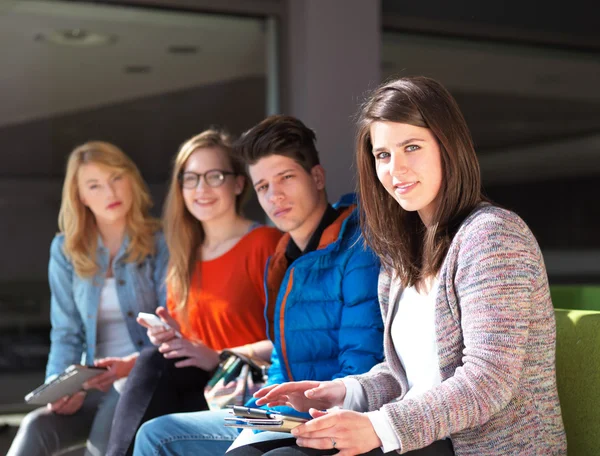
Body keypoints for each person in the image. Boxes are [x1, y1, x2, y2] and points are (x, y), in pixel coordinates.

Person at [232, 77, 568, 455]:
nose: (396, 169)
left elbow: (487, 381)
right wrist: (343, 392)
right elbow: (406, 377)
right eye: (383, 155)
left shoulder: (492, 237)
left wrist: (378, 426)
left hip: (476, 446)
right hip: (419, 439)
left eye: (412, 147)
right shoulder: (400, 252)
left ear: (448, 147)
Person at [132, 115, 384, 456]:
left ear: (317, 177)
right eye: (263, 186)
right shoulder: (283, 258)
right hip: (279, 414)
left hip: (328, 415)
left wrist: (286, 409)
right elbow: (281, 359)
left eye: (286, 178)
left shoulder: (356, 250)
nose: (275, 195)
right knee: (156, 433)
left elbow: (361, 365)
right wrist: (259, 409)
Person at [105, 129, 282, 456]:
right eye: (191, 178)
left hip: (249, 395)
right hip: (200, 391)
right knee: (151, 359)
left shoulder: (266, 244)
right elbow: (191, 345)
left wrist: (219, 356)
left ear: (239, 183)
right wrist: (130, 362)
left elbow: (293, 342)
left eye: (214, 176)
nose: (201, 189)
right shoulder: (183, 257)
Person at [7, 141, 169, 456]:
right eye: (94, 186)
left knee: (107, 427)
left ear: (131, 180)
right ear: (80, 196)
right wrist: (60, 387)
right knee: (35, 427)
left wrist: (128, 367)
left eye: (116, 179)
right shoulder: (66, 250)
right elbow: (66, 332)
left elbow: (171, 325)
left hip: (142, 381)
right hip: (92, 384)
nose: (109, 193)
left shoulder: (161, 243)